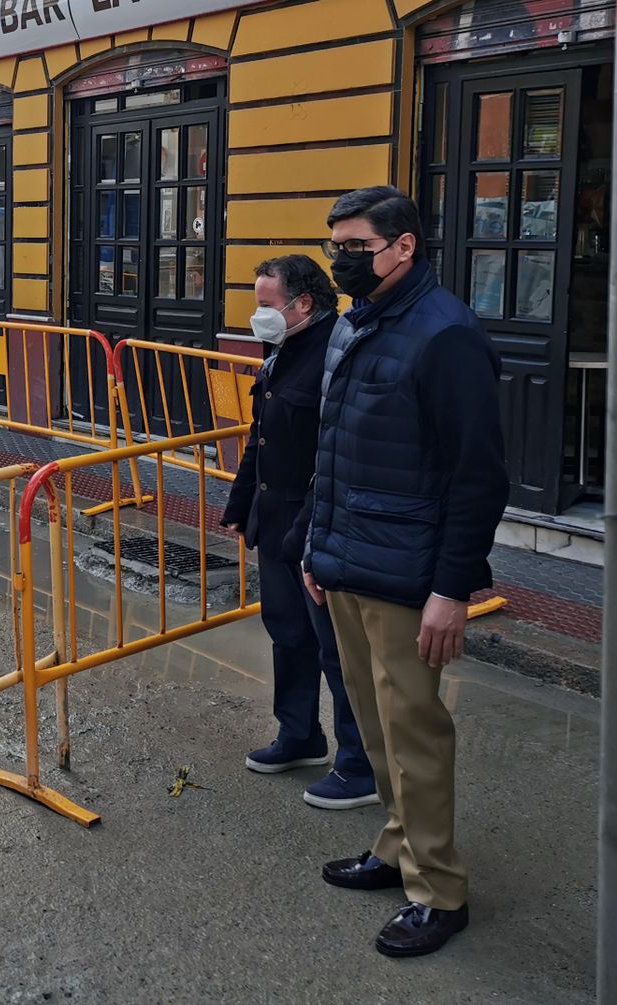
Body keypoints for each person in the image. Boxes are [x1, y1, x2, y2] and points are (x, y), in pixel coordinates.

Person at [301, 186, 508, 958]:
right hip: (349, 559)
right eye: (334, 245)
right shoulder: (359, 321)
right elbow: (337, 445)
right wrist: (316, 545)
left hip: (408, 575)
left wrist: (452, 588)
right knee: (377, 724)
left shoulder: (444, 334)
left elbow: (478, 476)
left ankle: (439, 889)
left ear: (404, 246)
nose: (340, 259)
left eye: (354, 245)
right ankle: (397, 847)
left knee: (414, 732)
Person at [221, 255, 375, 811]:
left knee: (338, 649)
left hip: (320, 527)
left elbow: (335, 455)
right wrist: (241, 504)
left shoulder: (338, 354)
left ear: (302, 304)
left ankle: (360, 765)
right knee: (288, 634)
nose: (257, 315)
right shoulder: (282, 348)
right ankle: (300, 735)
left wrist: (310, 531)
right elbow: (262, 436)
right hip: (275, 516)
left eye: (265, 304)